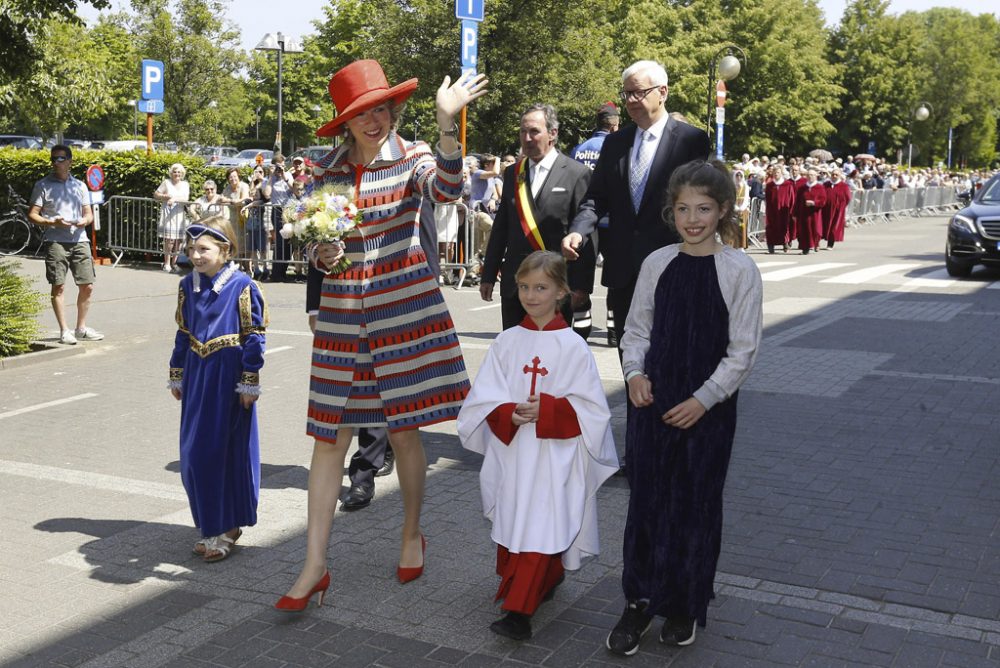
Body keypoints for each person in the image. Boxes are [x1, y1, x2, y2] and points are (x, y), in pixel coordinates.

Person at [275, 59, 486, 612]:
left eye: (381, 109)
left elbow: (446, 189)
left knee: (404, 433)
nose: (374, 121)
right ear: (344, 122)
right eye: (360, 114)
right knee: (328, 437)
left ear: (394, 109)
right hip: (342, 319)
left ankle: (412, 531)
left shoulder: (413, 156)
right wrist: (317, 252)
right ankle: (313, 564)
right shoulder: (325, 172)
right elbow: (306, 235)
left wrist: (447, 124)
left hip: (401, 314)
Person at [608, 160, 762, 654]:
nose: (692, 218)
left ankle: (684, 603)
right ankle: (639, 600)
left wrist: (704, 399)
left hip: (707, 410)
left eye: (703, 208)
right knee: (647, 502)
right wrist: (634, 375)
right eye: (683, 209)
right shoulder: (657, 262)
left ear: (722, 211)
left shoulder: (739, 269)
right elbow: (637, 330)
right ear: (669, 211)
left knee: (695, 505)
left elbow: (743, 351)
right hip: (652, 402)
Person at [458, 251, 619, 641]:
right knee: (517, 518)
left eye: (541, 288)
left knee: (542, 522)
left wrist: (548, 410)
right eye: (525, 287)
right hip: (513, 451)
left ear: (562, 292)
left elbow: (593, 411)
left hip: (554, 455)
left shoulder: (574, 347)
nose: (531, 295)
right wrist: (509, 413)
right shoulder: (508, 341)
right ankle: (546, 578)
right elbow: (482, 397)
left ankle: (520, 612)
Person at [562, 60, 710, 353]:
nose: (631, 101)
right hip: (624, 271)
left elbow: (700, 205)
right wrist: (578, 231)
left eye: (639, 93)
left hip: (673, 267)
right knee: (630, 358)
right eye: (627, 93)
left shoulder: (691, 140)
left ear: (663, 92)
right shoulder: (615, 143)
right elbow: (595, 199)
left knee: (671, 358)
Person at [168, 215, 268, 563]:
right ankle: (210, 525)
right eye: (191, 248)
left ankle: (226, 527)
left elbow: (254, 336)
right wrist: (177, 372)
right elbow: (183, 333)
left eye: (204, 249)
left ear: (225, 249)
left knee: (222, 453)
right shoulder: (187, 286)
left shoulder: (242, 286)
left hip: (228, 378)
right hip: (198, 376)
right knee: (194, 455)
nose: (196, 255)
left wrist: (249, 379)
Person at [480, 103, 591, 330]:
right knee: (515, 355)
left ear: (552, 133)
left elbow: (586, 228)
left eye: (534, 131)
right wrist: (488, 275)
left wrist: (581, 286)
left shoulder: (576, 174)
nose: (527, 138)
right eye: (523, 131)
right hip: (516, 284)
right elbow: (501, 227)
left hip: (556, 284)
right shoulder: (513, 173)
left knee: (552, 357)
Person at [27, 144, 103, 345]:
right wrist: (52, 222)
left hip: (80, 240)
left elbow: (88, 214)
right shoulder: (43, 185)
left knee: (87, 286)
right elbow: (33, 214)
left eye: (60, 159)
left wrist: (84, 221)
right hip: (55, 241)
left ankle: (81, 328)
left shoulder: (79, 186)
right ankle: (64, 330)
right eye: (53, 159)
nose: (55, 162)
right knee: (58, 286)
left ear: (69, 161)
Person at [571, 101, 620, 344]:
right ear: (614, 126)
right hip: (612, 222)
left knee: (581, 279)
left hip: (585, 223)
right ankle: (613, 330)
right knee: (614, 277)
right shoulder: (617, 146)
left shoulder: (580, 149)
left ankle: (581, 327)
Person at [153, 163, 191, 273]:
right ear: (171, 173)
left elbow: (186, 198)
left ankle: (174, 263)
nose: (177, 174)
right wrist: (165, 196)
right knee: (169, 240)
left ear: (182, 173)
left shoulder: (185, 184)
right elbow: (156, 194)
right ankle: (167, 263)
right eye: (175, 172)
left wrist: (174, 199)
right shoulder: (166, 182)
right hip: (168, 214)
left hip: (179, 214)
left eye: (179, 172)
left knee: (178, 241)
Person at [263, 155, 294, 281]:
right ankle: (276, 273)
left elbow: (295, 190)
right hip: (277, 210)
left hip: (289, 210)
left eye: (281, 165)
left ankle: (283, 271)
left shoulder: (288, 176)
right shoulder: (269, 179)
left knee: (289, 244)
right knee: (280, 243)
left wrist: (285, 177)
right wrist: (271, 176)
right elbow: (266, 194)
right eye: (277, 166)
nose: (279, 169)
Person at [763, 165, 795, 253]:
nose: (776, 174)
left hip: (784, 210)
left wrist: (792, 210)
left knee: (784, 227)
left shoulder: (788, 185)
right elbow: (767, 198)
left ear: (781, 173)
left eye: (778, 172)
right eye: (775, 173)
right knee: (771, 227)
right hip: (772, 211)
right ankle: (771, 245)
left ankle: (785, 244)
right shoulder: (770, 185)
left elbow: (792, 198)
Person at [796, 168, 827, 254]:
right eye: (808, 175)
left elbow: (823, 200)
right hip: (804, 213)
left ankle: (816, 244)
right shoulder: (802, 188)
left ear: (816, 176)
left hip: (815, 213)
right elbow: (797, 201)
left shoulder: (819, 187)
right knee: (804, 230)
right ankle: (805, 248)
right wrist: (795, 213)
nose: (810, 177)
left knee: (815, 230)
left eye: (812, 175)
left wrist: (814, 203)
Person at [822, 168, 852, 249]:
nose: (834, 176)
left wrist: (841, 206)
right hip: (825, 209)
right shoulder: (826, 185)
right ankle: (816, 243)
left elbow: (848, 198)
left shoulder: (844, 186)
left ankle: (830, 243)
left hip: (837, 210)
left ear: (839, 176)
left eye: (836, 175)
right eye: (833, 174)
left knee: (834, 226)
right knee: (823, 225)